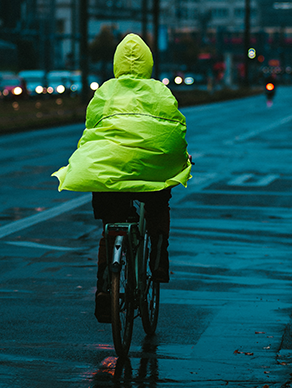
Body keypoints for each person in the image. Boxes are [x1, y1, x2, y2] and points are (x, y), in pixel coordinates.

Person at [52, 33, 192, 323]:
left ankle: (105, 285)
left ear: (116, 63)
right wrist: (182, 159)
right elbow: (175, 129)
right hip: (151, 167)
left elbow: (91, 130)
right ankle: (159, 253)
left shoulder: (104, 92)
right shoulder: (160, 91)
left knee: (110, 224)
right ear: (148, 64)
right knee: (158, 199)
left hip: (110, 168)